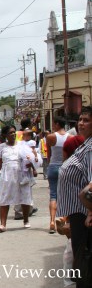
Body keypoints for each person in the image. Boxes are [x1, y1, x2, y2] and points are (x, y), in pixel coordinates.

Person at [57, 106, 92, 288]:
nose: (81, 123)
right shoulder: (85, 145)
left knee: (84, 260)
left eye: (86, 120)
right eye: (80, 119)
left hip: (84, 214)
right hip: (77, 213)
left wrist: (90, 211)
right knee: (80, 258)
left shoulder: (91, 148)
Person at [0, 125, 32, 232]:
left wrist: (31, 166)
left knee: (24, 196)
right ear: (5, 135)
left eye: (14, 132)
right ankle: (3, 224)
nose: (13, 134)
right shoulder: (2, 147)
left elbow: (30, 158)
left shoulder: (21, 145)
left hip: (21, 174)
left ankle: (26, 220)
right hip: (7, 175)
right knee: (4, 198)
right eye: (10, 133)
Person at [46, 117, 69, 234]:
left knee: (53, 194)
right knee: (65, 194)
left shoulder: (50, 137)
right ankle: (63, 218)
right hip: (65, 166)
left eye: (54, 123)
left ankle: (52, 221)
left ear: (57, 124)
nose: (53, 125)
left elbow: (49, 154)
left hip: (53, 166)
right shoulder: (70, 137)